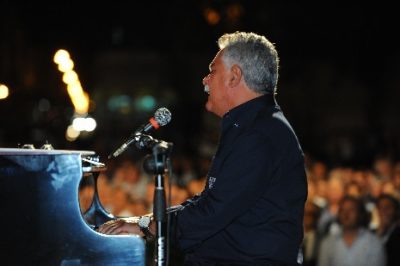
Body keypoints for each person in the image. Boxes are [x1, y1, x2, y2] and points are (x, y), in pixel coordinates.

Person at [99, 31, 308, 265]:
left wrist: (146, 227)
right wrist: (146, 221)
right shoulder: (254, 125)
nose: (205, 80)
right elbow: (210, 201)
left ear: (234, 77)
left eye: (212, 71)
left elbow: (211, 213)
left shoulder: (259, 134)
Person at [318, 196, 386, 266]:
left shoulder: (373, 242)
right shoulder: (328, 242)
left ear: (360, 214)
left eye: (351, 210)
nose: (346, 214)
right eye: (342, 210)